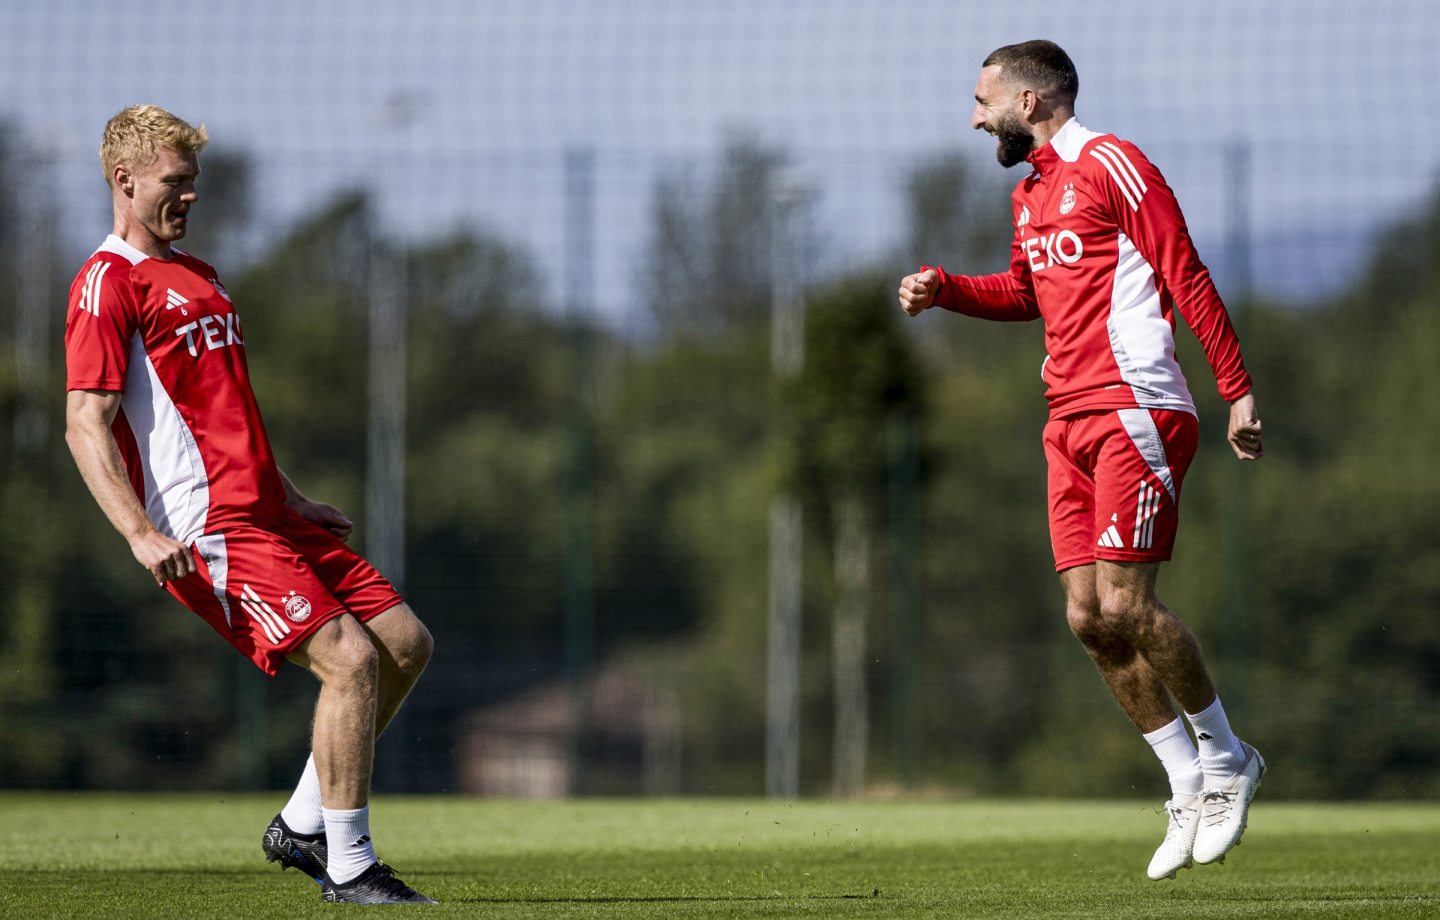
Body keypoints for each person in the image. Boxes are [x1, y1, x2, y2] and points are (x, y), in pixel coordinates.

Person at [898, 41, 1265, 880]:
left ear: (1029, 103)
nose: (974, 115)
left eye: (982, 98)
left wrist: (1236, 387)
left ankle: (1227, 758)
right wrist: (947, 286)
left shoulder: (1113, 163)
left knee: (1131, 608)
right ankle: (1183, 781)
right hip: (1066, 417)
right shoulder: (1031, 194)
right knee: (1088, 618)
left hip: (1136, 405)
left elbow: (1185, 272)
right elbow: (1032, 292)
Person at [64, 105, 436, 905]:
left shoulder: (200, 275)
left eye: (195, 181)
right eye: (176, 180)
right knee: (350, 660)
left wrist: (291, 494)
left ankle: (302, 824)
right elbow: (84, 421)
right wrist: (137, 532)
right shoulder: (104, 284)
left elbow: (223, 407)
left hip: (268, 511)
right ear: (124, 181)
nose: (191, 195)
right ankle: (350, 867)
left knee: (404, 644)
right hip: (211, 528)